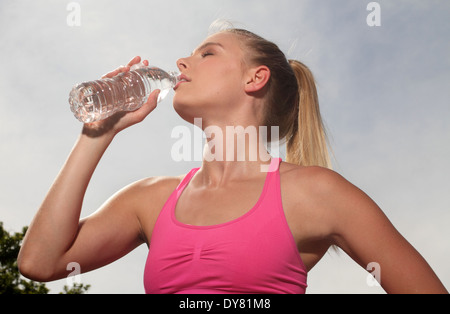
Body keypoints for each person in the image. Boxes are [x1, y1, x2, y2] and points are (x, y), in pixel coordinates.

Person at [18, 27, 448, 294]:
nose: (182, 62)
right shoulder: (149, 199)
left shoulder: (317, 193)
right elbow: (40, 263)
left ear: (254, 78)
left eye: (207, 53)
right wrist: (95, 136)